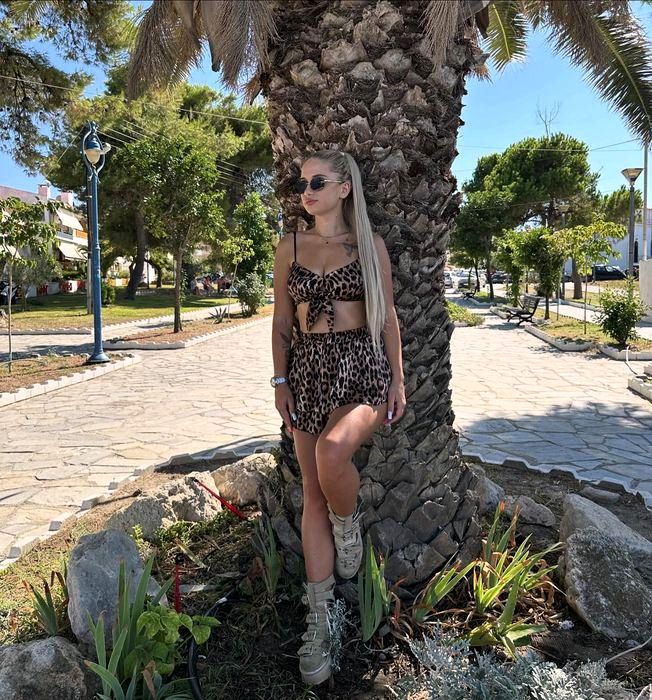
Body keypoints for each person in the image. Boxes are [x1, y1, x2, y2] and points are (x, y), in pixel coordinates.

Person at [270, 149, 406, 686]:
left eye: (317, 182)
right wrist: (280, 381)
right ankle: (319, 622)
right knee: (312, 493)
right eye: (302, 183)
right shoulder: (289, 246)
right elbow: (282, 321)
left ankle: (348, 524)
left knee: (332, 452)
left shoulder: (368, 245)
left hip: (361, 366)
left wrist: (398, 379)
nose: (306, 192)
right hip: (307, 370)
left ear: (344, 188)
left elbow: (387, 316)